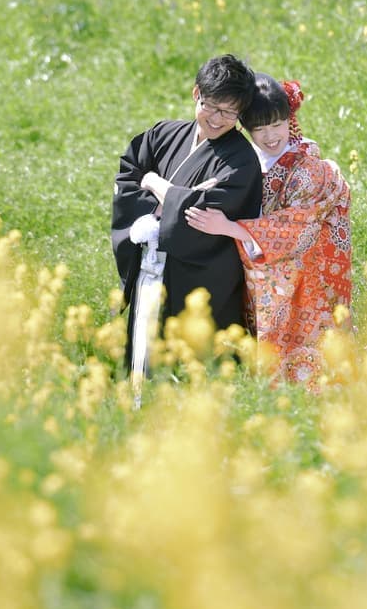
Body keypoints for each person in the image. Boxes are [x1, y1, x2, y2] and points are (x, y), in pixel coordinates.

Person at [185, 75, 352, 385]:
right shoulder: (250, 160)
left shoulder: (310, 170)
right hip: (268, 272)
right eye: (259, 129)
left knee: (313, 361)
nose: (270, 136)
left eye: (277, 124)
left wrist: (230, 227)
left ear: (290, 118)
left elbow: (298, 228)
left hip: (307, 273)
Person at [111, 54, 263, 384]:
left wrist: (156, 183)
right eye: (212, 105)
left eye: (230, 112)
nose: (218, 118)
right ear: (197, 94)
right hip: (150, 272)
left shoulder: (241, 161)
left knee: (197, 368)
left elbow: (201, 209)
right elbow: (128, 175)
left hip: (204, 282)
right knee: (142, 361)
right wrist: (170, 201)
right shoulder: (163, 135)